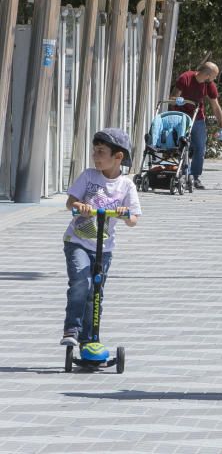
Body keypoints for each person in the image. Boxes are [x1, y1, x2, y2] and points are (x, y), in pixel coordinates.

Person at [61, 128, 142, 347]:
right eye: (94, 151)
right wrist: (80, 206)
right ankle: (72, 329)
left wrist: (126, 215)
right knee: (81, 282)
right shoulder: (88, 176)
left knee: (95, 291)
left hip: (103, 248)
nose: (95, 156)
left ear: (118, 157)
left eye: (100, 152)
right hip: (77, 241)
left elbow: (134, 219)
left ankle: (90, 337)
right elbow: (71, 203)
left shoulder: (126, 185)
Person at [171, 62, 222, 190]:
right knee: (181, 145)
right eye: (214, 76)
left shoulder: (209, 85)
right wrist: (177, 100)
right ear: (207, 75)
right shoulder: (185, 78)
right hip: (181, 117)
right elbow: (173, 97)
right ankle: (180, 172)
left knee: (200, 148)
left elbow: (215, 106)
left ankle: (194, 177)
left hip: (197, 118)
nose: (215, 79)